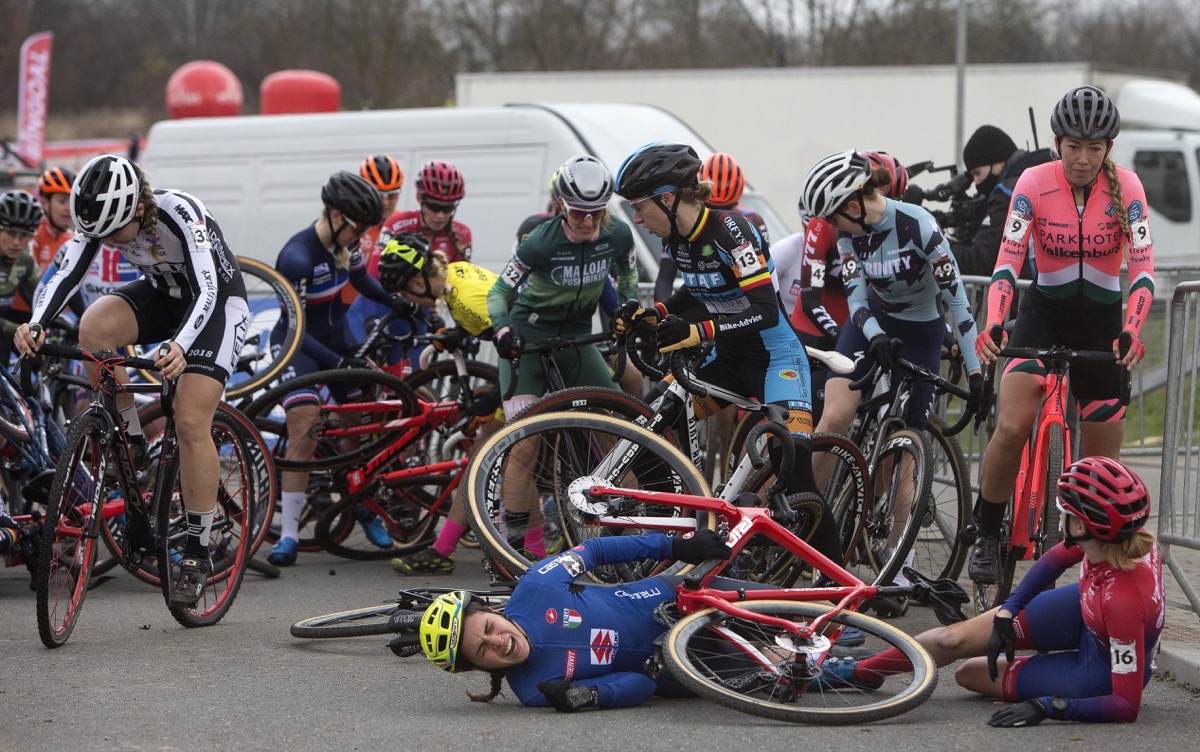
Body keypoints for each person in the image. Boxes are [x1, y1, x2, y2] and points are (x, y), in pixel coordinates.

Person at [13, 154, 251, 607]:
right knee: (94, 327)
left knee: (189, 419)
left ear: (138, 208)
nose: (106, 241)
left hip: (217, 306)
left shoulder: (181, 213)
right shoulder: (101, 220)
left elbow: (209, 288)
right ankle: (129, 432)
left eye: (113, 234)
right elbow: (67, 272)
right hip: (165, 296)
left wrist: (180, 345)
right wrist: (39, 322)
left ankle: (197, 553)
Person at [613, 142, 842, 566]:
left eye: (639, 207)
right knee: (645, 425)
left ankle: (840, 583)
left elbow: (764, 309)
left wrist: (699, 331)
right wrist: (652, 314)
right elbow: (695, 291)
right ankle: (675, 524)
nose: (637, 219)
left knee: (795, 478)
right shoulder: (678, 240)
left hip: (775, 361)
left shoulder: (731, 230)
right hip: (728, 361)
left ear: (668, 198)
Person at [969, 86, 1156, 585]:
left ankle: (1097, 566)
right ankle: (986, 530)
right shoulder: (1033, 182)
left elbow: (1141, 271)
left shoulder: (1128, 188)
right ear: (1058, 143)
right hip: (1043, 312)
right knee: (1011, 425)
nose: (1082, 158)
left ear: (1108, 150)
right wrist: (993, 321)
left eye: (1094, 149)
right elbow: (1007, 261)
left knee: (1101, 464)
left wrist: (1133, 331)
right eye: (1073, 146)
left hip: (1102, 321)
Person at [824, 457, 1163, 726]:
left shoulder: (1123, 601)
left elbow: (1126, 705)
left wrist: (1050, 706)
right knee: (950, 641)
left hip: (1098, 669)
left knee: (968, 673)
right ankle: (859, 673)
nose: (1059, 517)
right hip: (1086, 610)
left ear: (1083, 525)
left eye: (1064, 513)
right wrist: (1009, 609)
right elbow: (1055, 560)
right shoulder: (1114, 537)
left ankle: (1052, 670)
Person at [798, 149, 984, 605]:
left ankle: (899, 565)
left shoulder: (918, 225)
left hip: (921, 331)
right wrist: (876, 333)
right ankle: (805, 521)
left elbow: (957, 302)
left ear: (855, 204)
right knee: (835, 415)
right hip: (868, 327)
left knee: (907, 443)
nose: (831, 228)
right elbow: (857, 297)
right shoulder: (848, 236)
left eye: (833, 216)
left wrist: (979, 372)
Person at [487, 154, 638, 560]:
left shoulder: (618, 235)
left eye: (596, 212)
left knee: (616, 425)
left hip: (576, 336)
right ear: (560, 205)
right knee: (523, 443)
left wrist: (629, 308)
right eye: (578, 213)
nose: (588, 222)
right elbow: (498, 293)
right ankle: (512, 546)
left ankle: (636, 520)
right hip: (530, 338)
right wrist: (503, 329)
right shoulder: (540, 241)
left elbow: (627, 277)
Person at [266, 171, 415, 567]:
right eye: (357, 227)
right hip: (297, 346)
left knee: (360, 423)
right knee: (307, 423)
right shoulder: (297, 256)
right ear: (334, 215)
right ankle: (290, 534)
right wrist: (337, 362)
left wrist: (395, 301)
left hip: (335, 339)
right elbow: (295, 329)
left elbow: (361, 279)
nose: (361, 234)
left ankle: (360, 506)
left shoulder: (345, 243)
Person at [417, 530, 734, 709]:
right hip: (680, 670)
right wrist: (590, 697)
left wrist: (673, 545)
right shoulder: (533, 690)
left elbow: (594, 550)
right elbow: (643, 685)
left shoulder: (537, 587)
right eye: (483, 650)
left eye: (488, 628)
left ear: (491, 611)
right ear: (480, 667)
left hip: (674, 596)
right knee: (781, 668)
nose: (498, 642)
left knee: (782, 603)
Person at [783, 151, 908, 423]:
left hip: (859, 330)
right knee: (817, 421)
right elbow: (810, 299)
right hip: (815, 334)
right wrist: (843, 337)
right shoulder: (825, 224)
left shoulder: (896, 228)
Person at [653, 151, 767, 302]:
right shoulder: (683, 222)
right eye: (711, 208)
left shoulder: (753, 220)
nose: (721, 218)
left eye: (728, 209)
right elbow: (664, 279)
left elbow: (763, 278)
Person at [952, 125, 1055, 278]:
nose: (976, 181)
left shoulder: (1007, 194)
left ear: (998, 162)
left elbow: (980, 261)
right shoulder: (1051, 174)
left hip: (1032, 294)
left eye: (977, 173)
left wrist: (939, 244)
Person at [368, 160, 472, 277]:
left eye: (448, 208)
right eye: (434, 206)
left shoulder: (462, 233)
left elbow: (460, 282)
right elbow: (374, 274)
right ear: (419, 198)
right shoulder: (396, 224)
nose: (440, 216)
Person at [342, 154, 405, 306]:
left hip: (383, 306)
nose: (385, 203)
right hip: (345, 308)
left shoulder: (402, 224)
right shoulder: (348, 225)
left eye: (392, 196)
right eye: (378, 194)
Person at [0, 190, 44, 362]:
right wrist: (22, 330)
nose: (17, 242)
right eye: (11, 233)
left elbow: (40, 299)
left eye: (24, 235)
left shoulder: (25, 261)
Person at [30, 167, 76, 273]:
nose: (68, 208)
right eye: (62, 201)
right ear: (45, 203)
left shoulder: (71, 238)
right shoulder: (32, 237)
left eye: (72, 201)